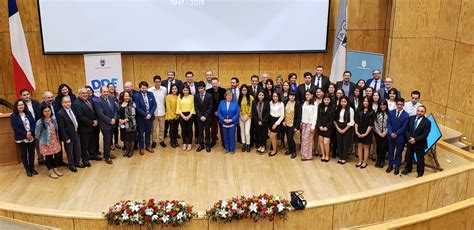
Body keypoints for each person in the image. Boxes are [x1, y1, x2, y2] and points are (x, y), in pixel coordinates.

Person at [35, 104, 63, 179]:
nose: (47, 113)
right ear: (42, 112)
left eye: (49, 111)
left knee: (57, 155)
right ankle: (50, 171)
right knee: (49, 157)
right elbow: (37, 134)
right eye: (45, 111)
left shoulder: (53, 118)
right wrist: (42, 140)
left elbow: (56, 129)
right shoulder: (40, 122)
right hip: (46, 142)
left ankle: (56, 169)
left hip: (55, 140)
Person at [403, 106, 431, 177]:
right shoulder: (411, 118)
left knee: (420, 159)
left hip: (420, 144)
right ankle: (408, 169)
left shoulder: (427, 122)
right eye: (418, 111)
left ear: (425, 112)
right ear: (416, 111)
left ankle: (420, 173)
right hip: (410, 142)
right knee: (409, 156)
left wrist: (415, 139)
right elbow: (407, 129)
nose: (419, 113)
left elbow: (425, 135)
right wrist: (410, 138)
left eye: (422, 111)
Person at [11, 99, 37, 177]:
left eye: (22, 104)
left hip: (31, 136)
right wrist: (26, 134)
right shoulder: (13, 116)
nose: (21, 106)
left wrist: (30, 132)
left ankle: (32, 168)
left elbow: (33, 123)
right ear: (16, 106)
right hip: (21, 138)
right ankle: (27, 169)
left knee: (32, 153)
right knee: (24, 154)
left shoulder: (28, 113)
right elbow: (15, 128)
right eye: (19, 105)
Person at [73, 88, 99, 166]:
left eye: (86, 93)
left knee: (92, 142)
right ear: (79, 94)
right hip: (84, 128)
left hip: (93, 126)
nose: (85, 94)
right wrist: (92, 123)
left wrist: (96, 120)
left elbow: (94, 111)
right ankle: (85, 160)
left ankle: (92, 155)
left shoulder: (90, 100)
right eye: (83, 93)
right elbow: (81, 117)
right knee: (84, 145)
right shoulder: (76, 103)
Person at [57, 96, 82, 172]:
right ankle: (72, 165)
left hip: (76, 133)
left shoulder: (73, 109)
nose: (68, 103)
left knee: (78, 149)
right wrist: (66, 138)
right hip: (68, 136)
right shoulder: (60, 113)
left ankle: (77, 162)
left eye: (69, 101)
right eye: (66, 102)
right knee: (70, 152)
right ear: (62, 103)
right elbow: (61, 128)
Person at [94, 86, 118, 164]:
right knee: (107, 141)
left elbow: (115, 110)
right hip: (105, 125)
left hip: (112, 123)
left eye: (107, 91)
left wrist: (114, 119)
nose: (106, 93)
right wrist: (110, 120)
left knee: (110, 140)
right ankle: (107, 157)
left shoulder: (111, 98)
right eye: (104, 92)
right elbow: (101, 114)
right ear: (101, 92)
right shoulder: (98, 101)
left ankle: (108, 153)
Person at [386, 98, 409, 175]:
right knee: (390, 152)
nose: (399, 106)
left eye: (401, 105)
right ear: (396, 104)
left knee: (399, 153)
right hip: (390, 136)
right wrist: (391, 132)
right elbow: (388, 123)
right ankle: (390, 166)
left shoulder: (406, 115)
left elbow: (404, 127)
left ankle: (397, 168)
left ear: (403, 105)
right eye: (398, 104)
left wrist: (396, 133)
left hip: (400, 137)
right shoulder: (391, 112)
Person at [133, 81, 157, 155]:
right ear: (140, 88)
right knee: (140, 133)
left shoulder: (151, 94)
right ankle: (141, 148)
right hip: (141, 118)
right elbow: (137, 107)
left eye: (145, 88)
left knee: (148, 133)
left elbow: (154, 105)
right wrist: (145, 115)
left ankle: (148, 146)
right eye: (142, 88)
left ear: (147, 88)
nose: (144, 89)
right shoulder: (136, 95)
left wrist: (150, 114)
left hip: (150, 117)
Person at [20, 88, 42, 165]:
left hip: (37, 126)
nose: (26, 96)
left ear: (30, 94)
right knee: (30, 147)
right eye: (24, 95)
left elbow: (40, 114)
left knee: (38, 143)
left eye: (27, 94)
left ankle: (40, 158)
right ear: (21, 96)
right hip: (27, 129)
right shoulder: (20, 104)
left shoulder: (36, 102)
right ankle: (30, 163)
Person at [355, 96, 375, 169]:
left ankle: (364, 162)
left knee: (366, 147)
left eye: (367, 101)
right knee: (359, 147)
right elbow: (356, 122)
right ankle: (360, 161)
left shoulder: (372, 112)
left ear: (369, 102)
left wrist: (366, 133)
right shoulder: (359, 110)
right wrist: (356, 132)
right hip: (359, 131)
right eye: (364, 101)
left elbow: (371, 124)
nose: (365, 102)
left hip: (367, 132)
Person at [218, 89, 240, 154]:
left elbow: (237, 113)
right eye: (228, 95)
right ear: (225, 96)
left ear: (232, 96)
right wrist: (223, 119)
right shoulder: (222, 102)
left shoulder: (235, 103)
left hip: (232, 123)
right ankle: (227, 148)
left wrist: (231, 120)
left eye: (231, 95)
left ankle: (232, 149)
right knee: (225, 136)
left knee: (232, 136)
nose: (229, 97)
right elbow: (219, 112)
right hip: (224, 122)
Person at [334, 96, 355, 164]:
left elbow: (352, 121)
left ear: (347, 102)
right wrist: (338, 128)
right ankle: (340, 157)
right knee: (339, 143)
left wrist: (344, 130)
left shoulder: (350, 110)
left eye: (344, 101)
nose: (343, 103)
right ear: (340, 102)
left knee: (346, 143)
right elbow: (335, 120)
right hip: (339, 126)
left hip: (347, 127)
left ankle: (344, 158)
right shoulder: (337, 109)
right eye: (342, 101)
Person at [149, 75, 168, 148]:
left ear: (161, 82)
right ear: (154, 82)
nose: (158, 83)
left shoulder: (164, 89)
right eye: (156, 82)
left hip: (162, 112)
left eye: (159, 82)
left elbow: (165, 100)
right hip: (154, 113)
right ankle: (154, 141)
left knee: (162, 128)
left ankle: (161, 140)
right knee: (153, 129)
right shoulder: (150, 90)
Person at [207, 77, 226, 148]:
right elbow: (208, 104)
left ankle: (224, 142)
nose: (214, 85)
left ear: (218, 83)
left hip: (222, 113)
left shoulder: (224, 91)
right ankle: (213, 141)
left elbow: (225, 102)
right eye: (213, 83)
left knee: (222, 129)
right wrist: (214, 111)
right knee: (213, 129)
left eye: (215, 83)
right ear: (211, 84)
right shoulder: (208, 91)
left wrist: (219, 111)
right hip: (212, 113)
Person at [194, 81, 213, 152]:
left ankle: (207, 144)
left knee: (207, 131)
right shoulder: (196, 96)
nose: (200, 89)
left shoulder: (209, 95)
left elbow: (210, 107)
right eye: (199, 88)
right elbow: (196, 107)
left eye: (202, 88)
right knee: (200, 131)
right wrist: (200, 116)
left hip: (207, 117)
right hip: (199, 118)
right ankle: (201, 145)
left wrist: (205, 116)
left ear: (204, 88)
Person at [118, 91, 137, 158]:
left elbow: (133, 115)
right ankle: (127, 150)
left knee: (131, 139)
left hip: (130, 124)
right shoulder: (120, 103)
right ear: (123, 97)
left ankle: (131, 151)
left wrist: (124, 120)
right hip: (122, 125)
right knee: (125, 138)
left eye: (128, 96)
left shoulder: (132, 104)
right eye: (126, 96)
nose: (127, 97)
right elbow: (118, 113)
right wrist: (119, 120)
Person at [283, 91, 301, 159]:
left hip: (293, 124)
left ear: (295, 96)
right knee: (288, 137)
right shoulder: (285, 102)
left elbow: (299, 116)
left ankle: (294, 151)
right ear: (288, 96)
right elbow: (283, 112)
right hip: (286, 123)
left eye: (293, 96)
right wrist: (283, 121)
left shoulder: (298, 104)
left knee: (290, 138)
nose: (291, 97)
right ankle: (290, 150)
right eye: (290, 95)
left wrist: (296, 126)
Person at [176, 85, 195, 151]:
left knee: (189, 129)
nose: (185, 91)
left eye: (187, 90)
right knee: (183, 129)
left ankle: (189, 143)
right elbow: (178, 107)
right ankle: (184, 143)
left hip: (190, 114)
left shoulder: (192, 97)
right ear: (182, 90)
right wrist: (183, 116)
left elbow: (193, 107)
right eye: (184, 90)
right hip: (182, 115)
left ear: (189, 90)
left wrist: (189, 116)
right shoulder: (179, 97)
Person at [300, 90, 317, 160]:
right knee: (304, 139)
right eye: (306, 95)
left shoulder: (315, 104)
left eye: (308, 95)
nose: (307, 96)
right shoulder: (304, 102)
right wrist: (301, 122)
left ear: (312, 95)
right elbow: (303, 113)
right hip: (304, 123)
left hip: (310, 124)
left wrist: (313, 126)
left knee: (308, 140)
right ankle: (304, 153)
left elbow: (315, 115)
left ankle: (308, 155)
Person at [317, 94, 335, 162]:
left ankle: (327, 155)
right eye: (325, 99)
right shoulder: (320, 106)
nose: (326, 101)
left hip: (328, 128)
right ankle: (323, 155)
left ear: (330, 100)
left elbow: (332, 119)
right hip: (320, 127)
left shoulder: (332, 107)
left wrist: (327, 127)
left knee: (326, 143)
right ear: (323, 99)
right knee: (321, 142)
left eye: (328, 100)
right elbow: (318, 117)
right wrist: (319, 126)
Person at [268, 92, 285, 157]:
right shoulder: (270, 103)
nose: (275, 98)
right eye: (274, 96)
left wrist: (276, 124)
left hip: (278, 121)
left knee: (271, 136)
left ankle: (274, 150)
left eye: (276, 96)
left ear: (278, 97)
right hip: (271, 120)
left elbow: (282, 116)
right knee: (274, 136)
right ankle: (275, 148)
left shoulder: (281, 104)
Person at [238, 84, 254, 152]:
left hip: (248, 117)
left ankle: (248, 144)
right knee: (242, 131)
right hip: (241, 117)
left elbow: (251, 108)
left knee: (247, 132)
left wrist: (248, 115)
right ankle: (243, 144)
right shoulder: (239, 97)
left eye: (245, 90)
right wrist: (241, 115)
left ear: (247, 90)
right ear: (241, 91)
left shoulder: (251, 97)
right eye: (242, 90)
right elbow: (238, 107)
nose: (244, 91)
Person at [374, 100, 389, 168]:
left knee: (383, 147)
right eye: (381, 105)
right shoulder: (377, 113)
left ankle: (382, 160)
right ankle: (378, 160)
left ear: (386, 105)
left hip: (386, 134)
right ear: (379, 106)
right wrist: (379, 132)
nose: (383, 106)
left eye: (384, 105)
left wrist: (385, 133)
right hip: (378, 133)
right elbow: (375, 123)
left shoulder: (389, 113)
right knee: (379, 147)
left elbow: (390, 124)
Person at [107, 83, 121, 151]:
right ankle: (111, 144)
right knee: (111, 131)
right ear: (107, 88)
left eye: (112, 87)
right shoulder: (107, 95)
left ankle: (116, 143)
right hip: (111, 116)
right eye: (110, 87)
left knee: (116, 130)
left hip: (118, 115)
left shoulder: (117, 94)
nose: (111, 88)